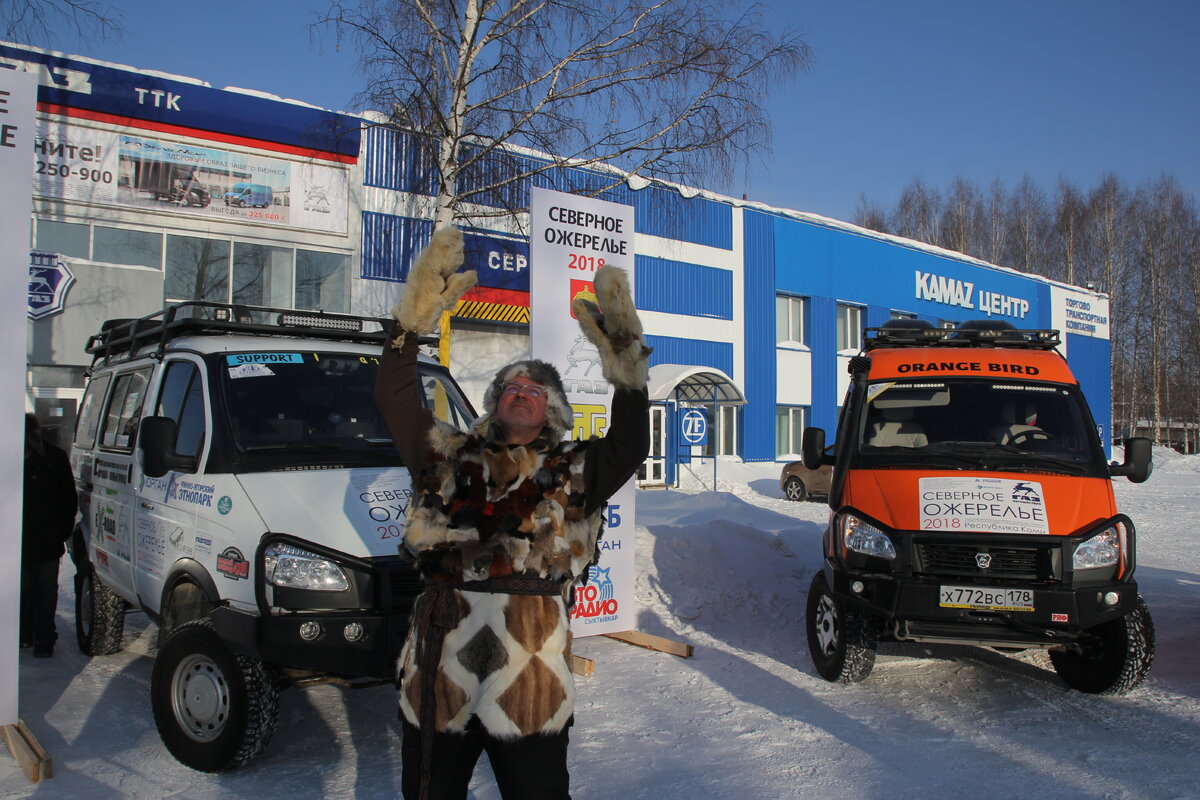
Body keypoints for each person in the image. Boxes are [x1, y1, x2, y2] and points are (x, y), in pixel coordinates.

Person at [374, 227, 650, 800]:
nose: (522, 391)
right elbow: (395, 401)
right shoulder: (446, 455)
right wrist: (410, 324)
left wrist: (625, 361)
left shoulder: (576, 468)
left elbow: (630, 443)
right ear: (496, 401)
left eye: (536, 389)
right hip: (441, 657)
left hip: (530, 670)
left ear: (551, 410)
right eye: (511, 386)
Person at [21, 413, 79, 658]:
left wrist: (61, 532)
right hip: (45, 539)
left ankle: (28, 636)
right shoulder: (54, 457)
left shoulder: (50, 457)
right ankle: (42, 639)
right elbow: (69, 499)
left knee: (26, 590)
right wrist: (62, 533)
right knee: (44, 590)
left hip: (26, 542)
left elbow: (68, 499)